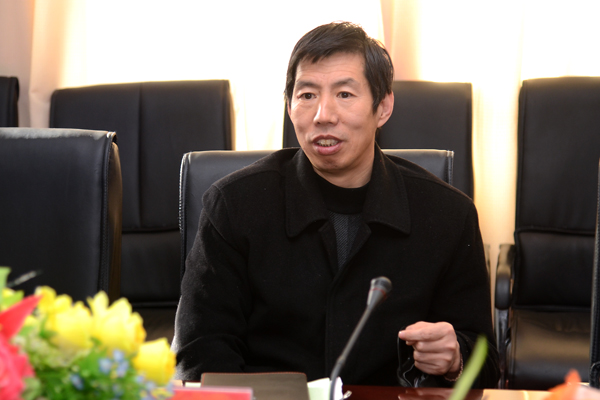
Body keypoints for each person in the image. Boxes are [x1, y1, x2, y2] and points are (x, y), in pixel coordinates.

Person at [173, 21, 499, 388]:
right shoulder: (234, 205)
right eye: (307, 95)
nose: (323, 115)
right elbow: (200, 352)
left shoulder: (447, 214)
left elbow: (485, 362)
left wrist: (456, 359)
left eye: (344, 94)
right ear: (289, 105)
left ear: (383, 106)